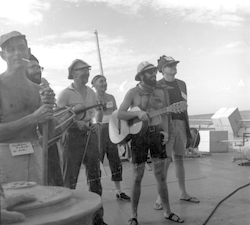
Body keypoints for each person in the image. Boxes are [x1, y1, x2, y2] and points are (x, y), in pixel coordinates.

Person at [117, 61, 184, 224]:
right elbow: (120, 113)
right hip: (139, 136)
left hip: (156, 136)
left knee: (160, 175)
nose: (154, 74)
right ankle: (134, 216)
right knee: (137, 176)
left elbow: (166, 114)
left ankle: (167, 212)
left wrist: (166, 132)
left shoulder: (161, 92)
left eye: (154, 71)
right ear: (141, 76)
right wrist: (138, 114)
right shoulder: (132, 93)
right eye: (150, 72)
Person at [0, 31, 55, 185]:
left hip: (34, 154)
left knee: (36, 204)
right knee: (10, 207)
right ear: (3, 55)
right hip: (4, 156)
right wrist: (33, 118)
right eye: (11, 50)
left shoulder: (37, 90)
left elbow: (49, 134)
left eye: (21, 48)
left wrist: (48, 109)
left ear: (28, 52)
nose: (17, 53)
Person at [57, 59, 107, 225]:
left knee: (95, 178)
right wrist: (74, 123)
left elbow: (93, 114)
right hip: (71, 137)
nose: (87, 73)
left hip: (89, 135)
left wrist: (94, 126)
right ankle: (67, 220)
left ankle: (98, 218)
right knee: (69, 180)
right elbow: (59, 118)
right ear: (73, 73)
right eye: (83, 70)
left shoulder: (91, 93)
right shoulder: (65, 94)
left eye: (88, 69)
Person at [154, 55, 200, 210]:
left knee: (179, 159)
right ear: (162, 69)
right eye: (169, 65)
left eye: (174, 64)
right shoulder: (157, 85)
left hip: (180, 123)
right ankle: (160, 197)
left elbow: (185, 107)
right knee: (165, 161)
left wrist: (187, 128)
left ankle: (183, 193)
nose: (173, 67)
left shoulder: (182, 84)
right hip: (165, 125)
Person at [26, 53, 64, 187]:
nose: (37, 70)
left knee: (55, 181)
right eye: (32, 67)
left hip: (48, 142)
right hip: (28, 146)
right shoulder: (21, 90)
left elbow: (51, 119)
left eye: (38, 67)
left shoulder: (43, 88)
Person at [91, 74, 130, 201]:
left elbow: (117, 113)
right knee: (98, 163)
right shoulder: (91, 98)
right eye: (101, 81)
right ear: (95, 84)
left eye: (105, 81)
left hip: (111, 131)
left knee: (115, 161)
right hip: (98, 131)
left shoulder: (111, 97)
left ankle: (119, 191)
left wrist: (121, 132)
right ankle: (96, 194)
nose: (104, 83)